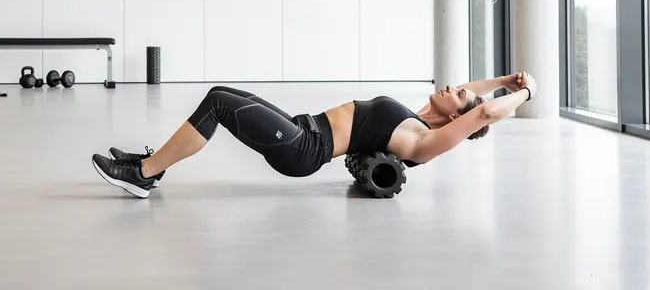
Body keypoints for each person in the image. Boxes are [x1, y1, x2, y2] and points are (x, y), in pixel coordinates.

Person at [91, 71, 537, 198]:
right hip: (302, 126)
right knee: (221, 93)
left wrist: (525, 94)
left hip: (303, 149)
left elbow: (481, 115)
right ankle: (152, 166)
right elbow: (475, 100)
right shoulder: (422, 114)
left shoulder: (425, 140)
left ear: (455, 118)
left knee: (219, 104)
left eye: (458, 94)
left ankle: (145, 173)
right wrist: (506, 78)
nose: (455, 87)